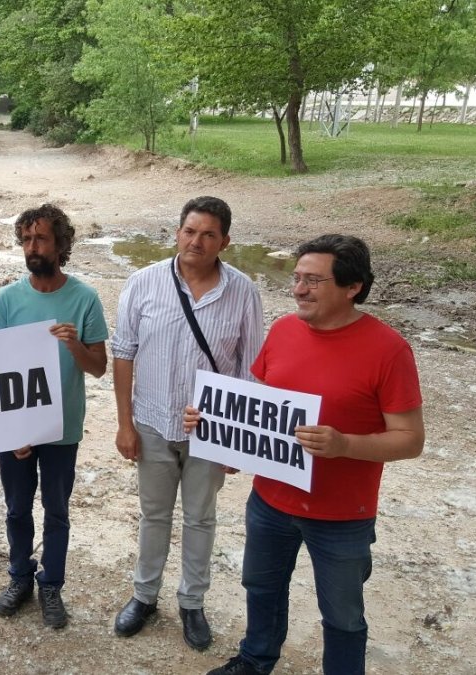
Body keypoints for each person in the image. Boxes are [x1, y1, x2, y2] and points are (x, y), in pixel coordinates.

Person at [203, 234, 424, 675]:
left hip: (343, 515)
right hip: (270, 500)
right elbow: (264, 403)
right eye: (298, 278)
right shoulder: (284, 329)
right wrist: (218, 427)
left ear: (352, 287)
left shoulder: (388, 349)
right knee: (261, 587)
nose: (299, 289)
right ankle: (255, 659)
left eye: (313, 281)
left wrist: (346, 445)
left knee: (342, 615)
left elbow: (410, 439)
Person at [110, 196, 264, 650]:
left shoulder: (243, 292)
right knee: (153, 514)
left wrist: (239, 439)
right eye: (190, 231)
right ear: (177, 233)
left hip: (211, 431)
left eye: (209, 234)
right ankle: (144, 596)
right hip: (153, 421)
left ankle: (192, 603)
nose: (197, 241)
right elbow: (123, 353)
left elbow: (250, 369)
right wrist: (124, 424)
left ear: (225, 242)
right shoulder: (143, 283)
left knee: (200, 518)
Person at [0, 204, 108, 629]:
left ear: (61, 245)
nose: (32, 247)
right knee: (17, 508)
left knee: (56, 510)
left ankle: (51, 584)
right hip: (16, 430)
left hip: (61, 429)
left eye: (41, 239)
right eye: (26, 239)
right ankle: (20, 577)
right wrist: (11, 427)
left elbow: (98, 367)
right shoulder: (7, 299)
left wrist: (75, 345)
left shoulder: (84, 298)